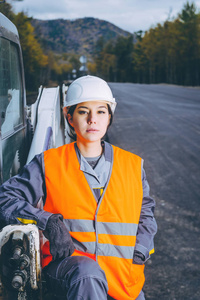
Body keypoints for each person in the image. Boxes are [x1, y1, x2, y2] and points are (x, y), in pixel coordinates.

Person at [0, 75, 157, 300]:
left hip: (123, 279)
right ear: (69, 117)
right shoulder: (48, 163)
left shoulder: (132, 165)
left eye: (101, 111)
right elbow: (5, 198)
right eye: (83, 111)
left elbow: (146, 213)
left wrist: (140, 251)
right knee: (87, 274)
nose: (93, 119)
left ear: (109, 117)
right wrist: (48, 221)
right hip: (69, 272)